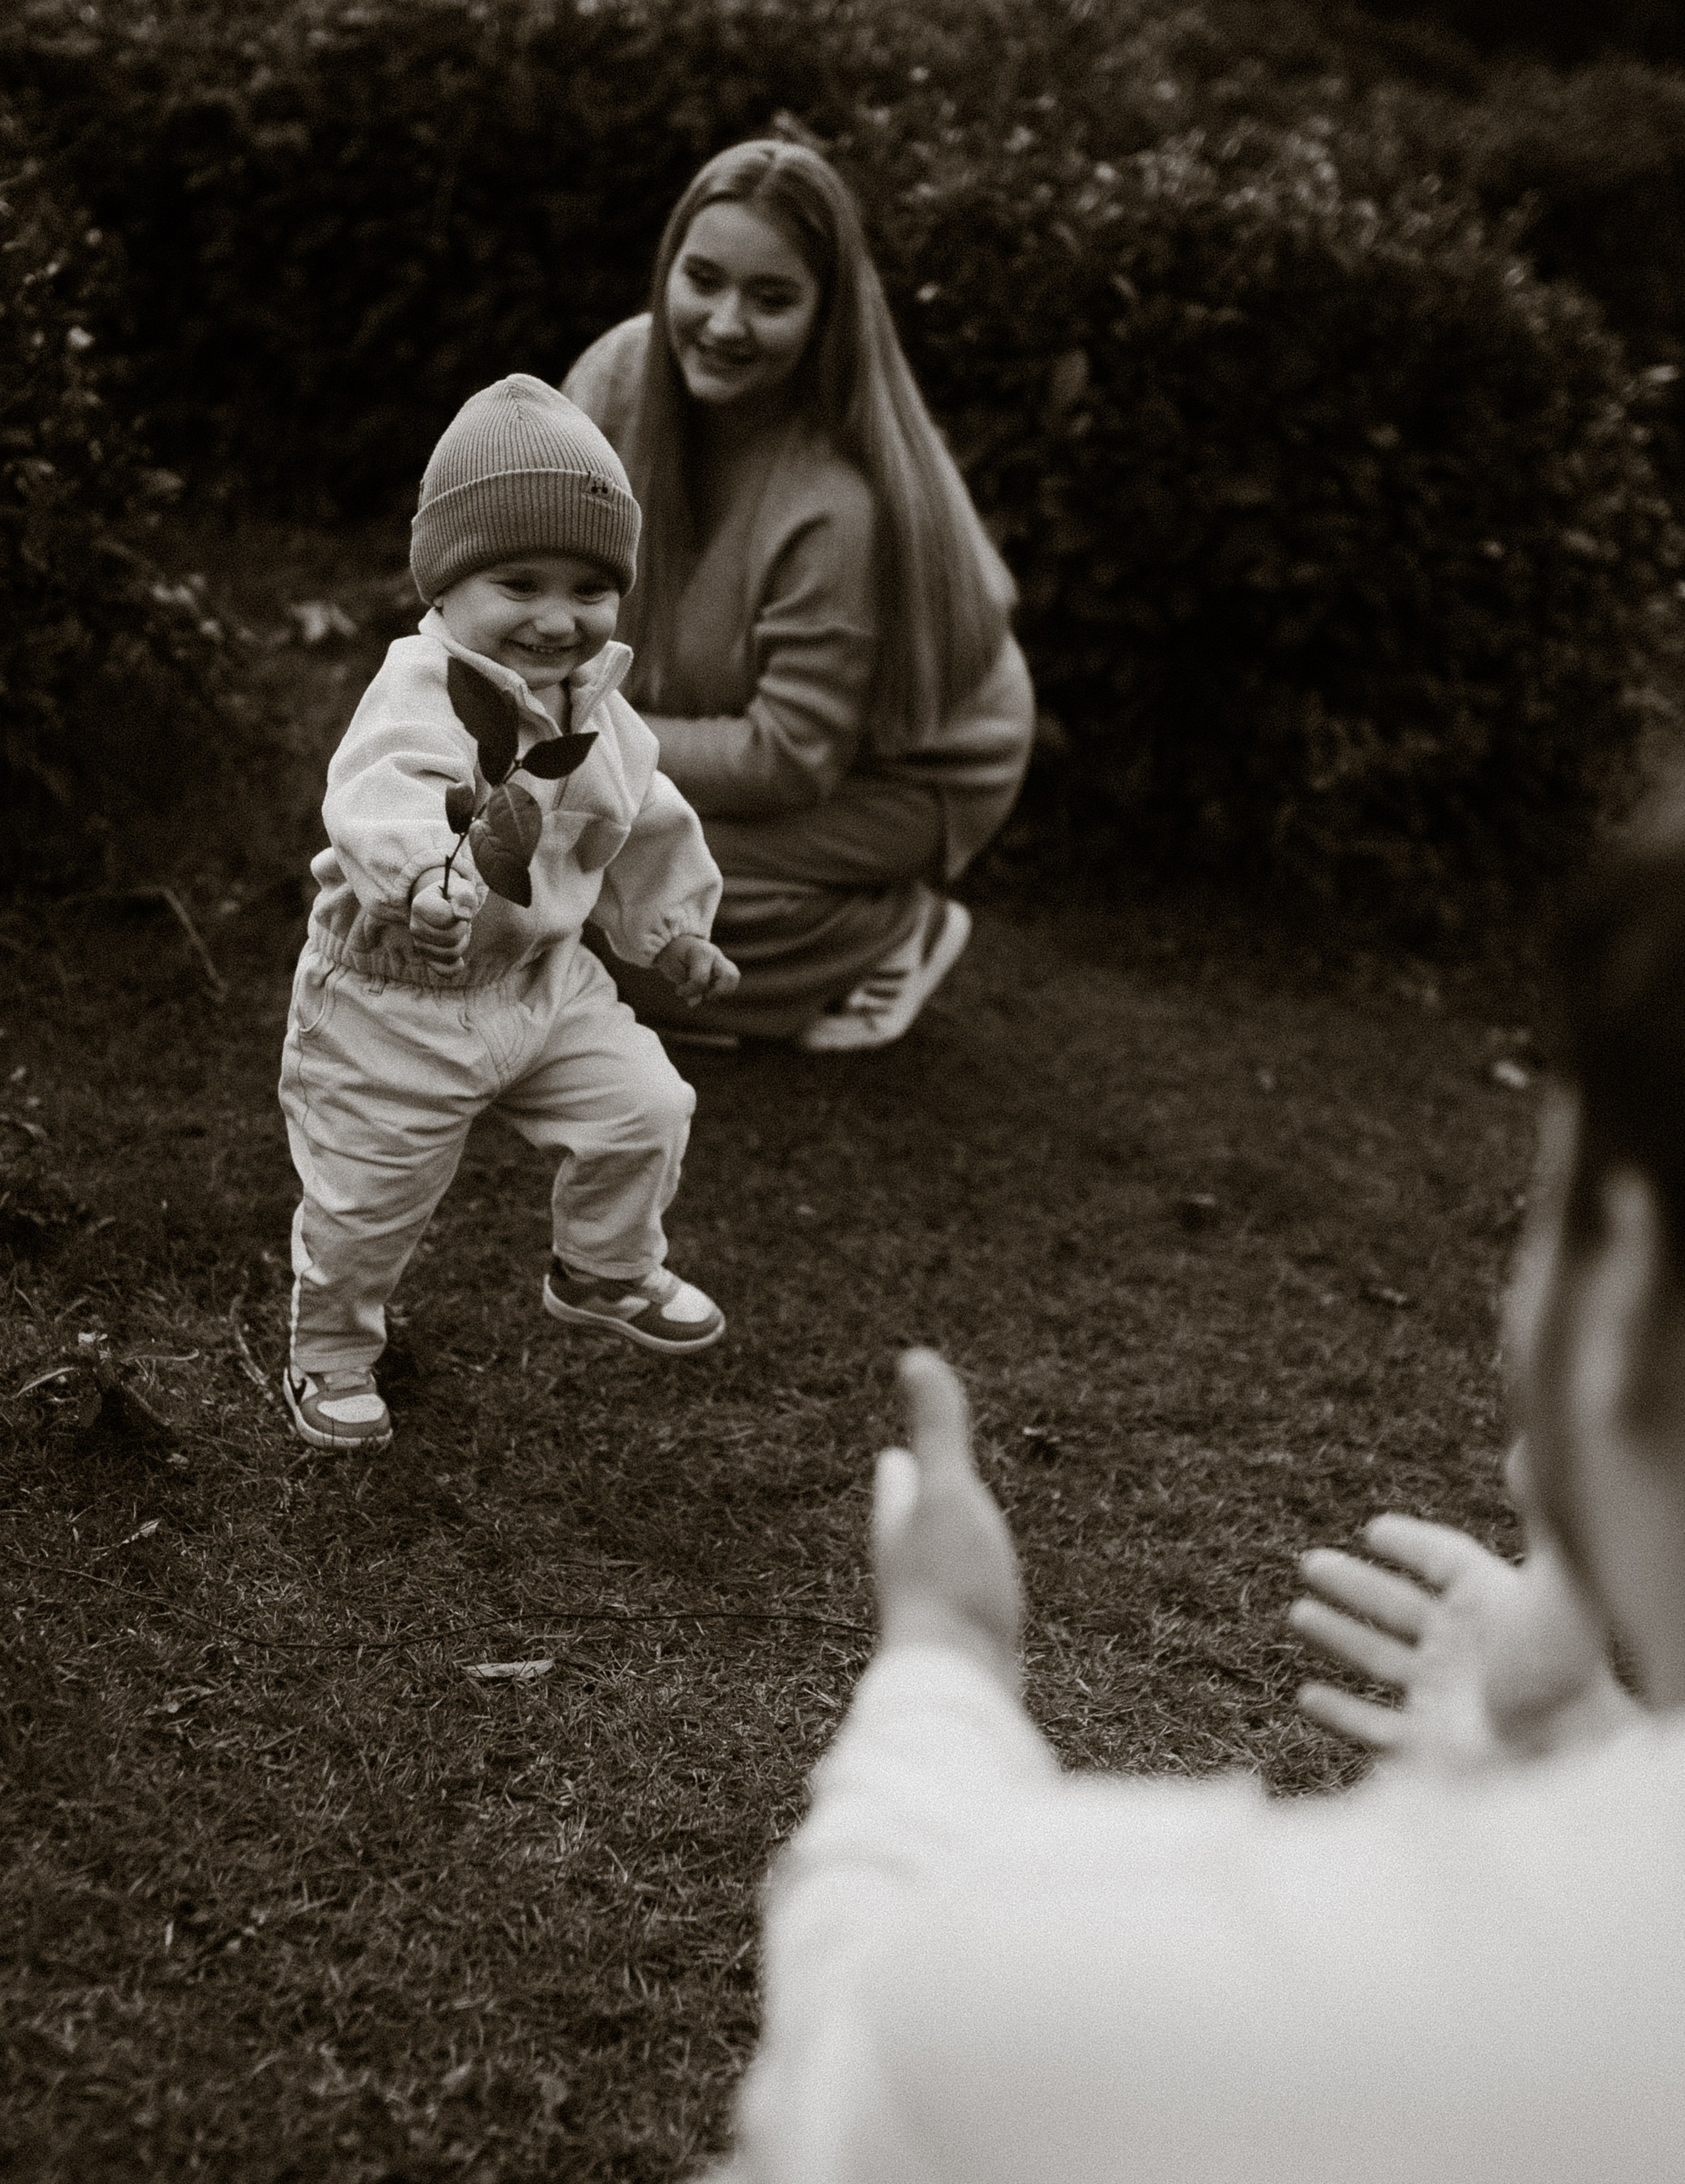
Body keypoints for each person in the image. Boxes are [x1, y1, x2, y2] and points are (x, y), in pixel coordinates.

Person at [717, 793, 1685, 2179]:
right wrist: (1587, 1755)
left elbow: (859, 2056)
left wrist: (943, 1662)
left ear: (1625, 1282)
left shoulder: (1270, 2003)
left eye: (1540, 1211)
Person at [277, 375, 739, 1453]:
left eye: (591, 587)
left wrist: (676, 930)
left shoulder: (596, 709)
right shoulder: (422, 690)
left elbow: (644, 816)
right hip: (393, 997)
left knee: (647, 1106)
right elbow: (383, 788)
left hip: (542, 981)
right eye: (519, 582)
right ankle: (330, 1351)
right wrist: (422, 880)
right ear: (444, 584)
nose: (558, 617)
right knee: (366, 1201)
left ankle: (603, 1267)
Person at [560, 138, 1035, 1051]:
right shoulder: (619, 374)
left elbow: (787, 756)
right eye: (703, 279)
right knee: (549, 857)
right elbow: (528, 546)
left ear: (826, 316)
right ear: (669, 268)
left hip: (896, 770)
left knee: (599, 877)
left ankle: (889, 934)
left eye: (772, 299)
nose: (724, 323)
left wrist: (580, 739)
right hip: (725, 719)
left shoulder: (836, 498)